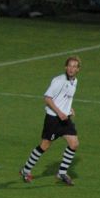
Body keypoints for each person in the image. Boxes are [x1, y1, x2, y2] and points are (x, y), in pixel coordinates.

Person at [19, 57, 81, 186]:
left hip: (65, 119)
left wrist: (69, 108)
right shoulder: (59, 81)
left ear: (78, 69)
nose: (71, 68)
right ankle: (25, 170)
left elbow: (65, 97)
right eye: (70, 66)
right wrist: (59, 112)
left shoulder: (74, 81)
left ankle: (62, 173)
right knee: (44, 146)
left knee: (74, 144)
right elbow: (47, 98)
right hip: (53, 119)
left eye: (74, 66)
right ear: (65, 67)